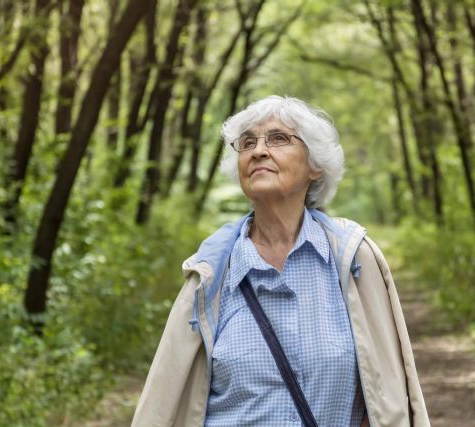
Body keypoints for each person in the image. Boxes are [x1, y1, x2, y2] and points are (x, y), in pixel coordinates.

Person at [131, 95, 429, 427]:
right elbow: (166, 399)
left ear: (315, 167)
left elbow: (384, 396)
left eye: (278, 138)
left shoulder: (354, 261)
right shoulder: (210, 273)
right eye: (247, 143)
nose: (258, 150)